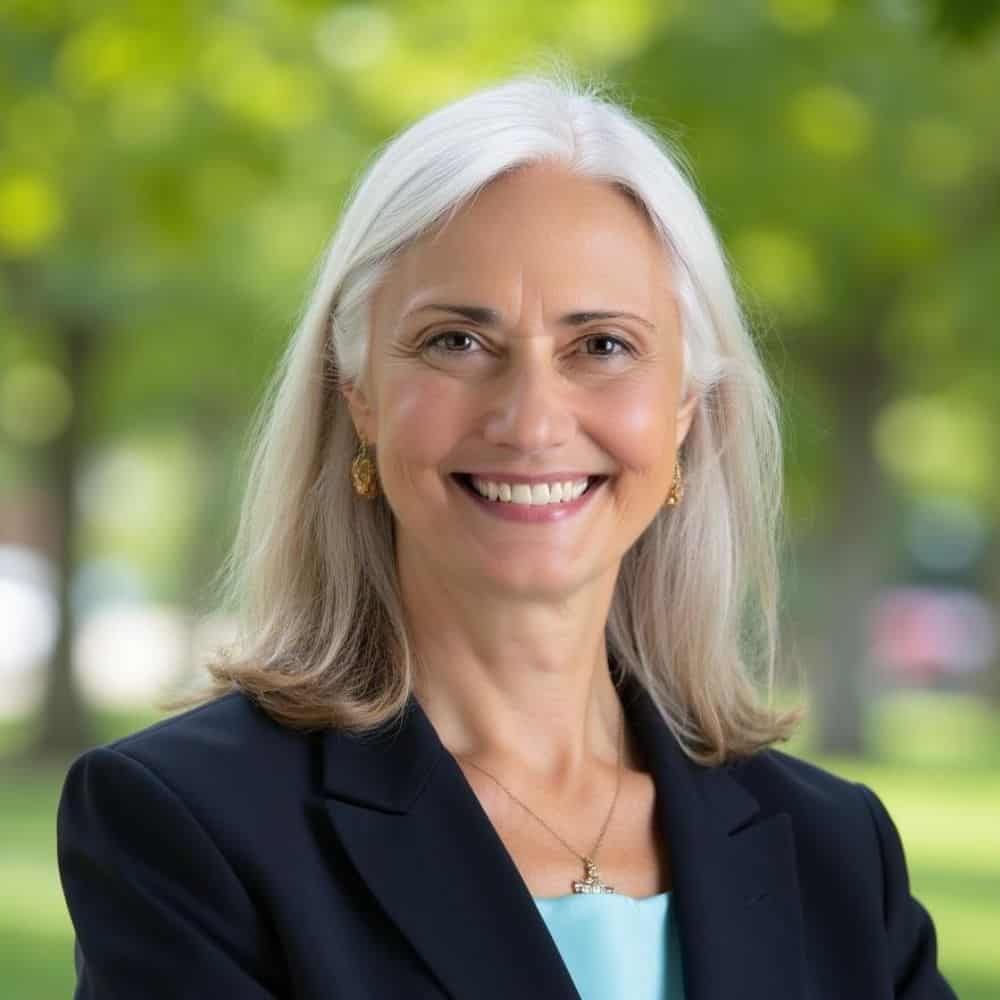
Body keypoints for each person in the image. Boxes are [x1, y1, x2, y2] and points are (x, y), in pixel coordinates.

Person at [56, 72, 956, 999]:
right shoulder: (189, 824)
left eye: (602, 346)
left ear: (685, 405)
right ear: (359, 393)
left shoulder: (836, 852)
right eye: (456, 341)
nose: (530, 422)